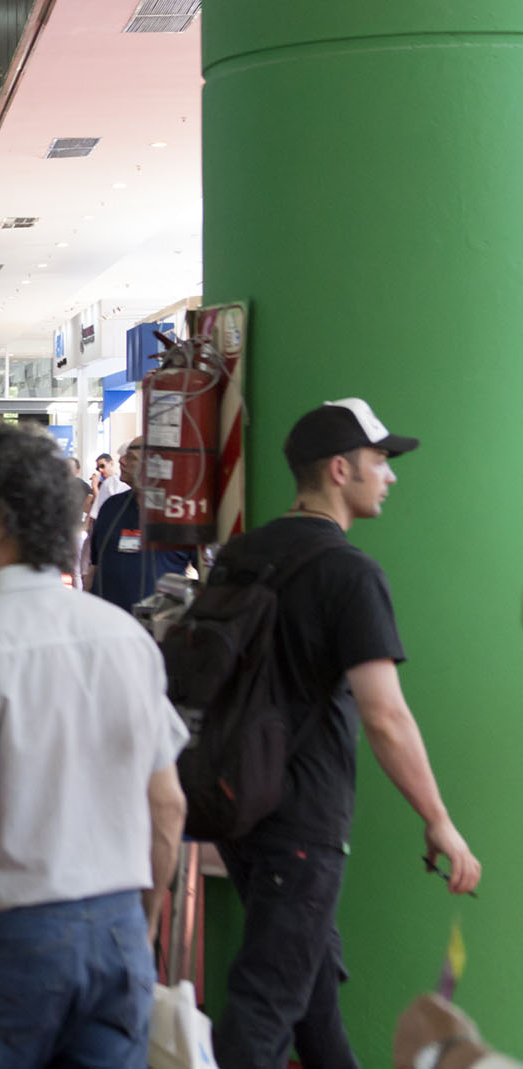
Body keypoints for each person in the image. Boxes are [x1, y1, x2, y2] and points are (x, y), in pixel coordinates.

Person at [0, 424, 189, 1067]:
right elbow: (167, 810)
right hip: (118, 931)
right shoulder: (123, 634)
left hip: (5, 937)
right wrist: (137, 924)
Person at [212, 399, 481, 1067]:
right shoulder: (350, 573)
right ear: (340, 469)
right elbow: (385, 714)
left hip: (236, 802)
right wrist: (438, 819)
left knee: (312, 995)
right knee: (265, 1005)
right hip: (304, 821)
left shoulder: (239, 555)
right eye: (380, 461)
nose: (389, 475)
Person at [87, 437, 193, 613]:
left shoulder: (179, 511)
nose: (121, 460)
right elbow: (94, 568)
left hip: (158, 632)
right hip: (107, 626)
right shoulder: (111, 507)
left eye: (130, 456)